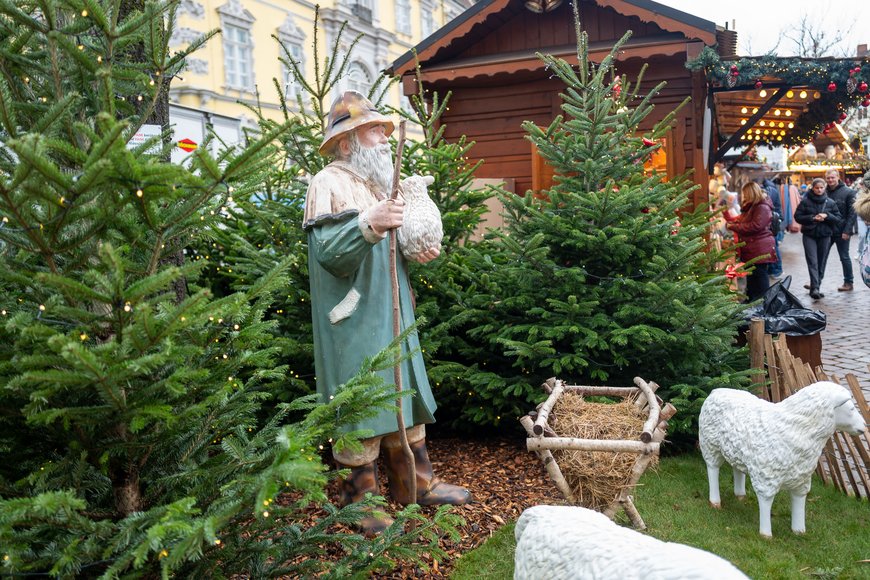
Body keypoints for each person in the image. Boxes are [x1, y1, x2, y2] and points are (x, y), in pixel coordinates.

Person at [302, 90, 470, 535]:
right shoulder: (328, 184)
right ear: (346, 142)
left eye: (382, 130)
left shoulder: (379, 184)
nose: (384, 138)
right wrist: (369, 223)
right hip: (354, 318)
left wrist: (418, 248)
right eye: (375, 130)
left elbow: (391, 252)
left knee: (406, 397)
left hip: (394, 313)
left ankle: (414, 484)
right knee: (362, 404)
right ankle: (360, 501)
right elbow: (330, 254)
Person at [725, 182, 777, 302]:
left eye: (745, 194)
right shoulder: (752, 206)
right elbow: (742, 220)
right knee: (753, 276)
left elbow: (756, 226)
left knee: (759, 276)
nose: (744, 197)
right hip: (753, 248)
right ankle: (753, 301)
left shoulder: (761, 207)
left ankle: (763, 303)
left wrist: (733, 227)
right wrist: (727, 215)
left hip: (759, 248)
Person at [794, 178, 842, 299]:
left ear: (824, 188)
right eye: (817, 188)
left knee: (821, 261)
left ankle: (817, 286)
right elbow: (798, 216)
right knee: (812, 261)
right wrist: (812, 218)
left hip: (825, 235)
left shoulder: (830, 202)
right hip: (809, 235)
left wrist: (827, 215)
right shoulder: (805, 201)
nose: (819, 190)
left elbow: (838, 218)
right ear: (813, 188)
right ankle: (814, 288)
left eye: (821, 187)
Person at [824, 169, 857, 291]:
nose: (830, 180)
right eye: (828, 178)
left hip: (842, 230)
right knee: (821, 256)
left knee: (844, 257)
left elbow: (852, 214)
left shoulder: (849, 192)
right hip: (826, 230)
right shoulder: (823, 191)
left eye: (833, 177)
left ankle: (848, 282)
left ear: (838, 177)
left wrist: (847, 231)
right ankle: (815, 282)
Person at [761, 178, 783, 278]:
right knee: (773, 245)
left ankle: (776, 269)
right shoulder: (773, 189)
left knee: (773, 246)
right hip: (774, 221)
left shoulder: (766, 191)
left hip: (770, 222)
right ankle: (775, 269)